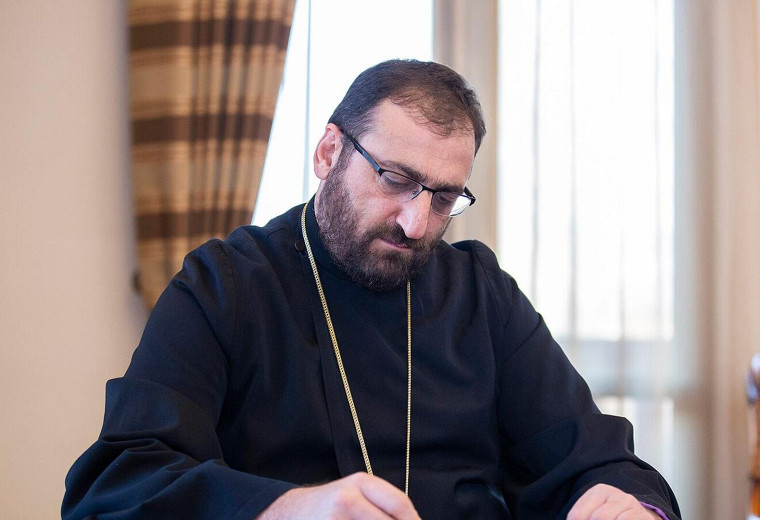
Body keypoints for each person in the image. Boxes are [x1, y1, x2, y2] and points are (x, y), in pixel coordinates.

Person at [63, 59, 680, 520]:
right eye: (395, 178)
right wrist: (287, 509)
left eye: (443, 198)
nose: (416, 223)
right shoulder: (223, 286)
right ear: (329, 152)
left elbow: (595, 457)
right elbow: (117, 483)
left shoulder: (481, 294)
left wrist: (629, 506)